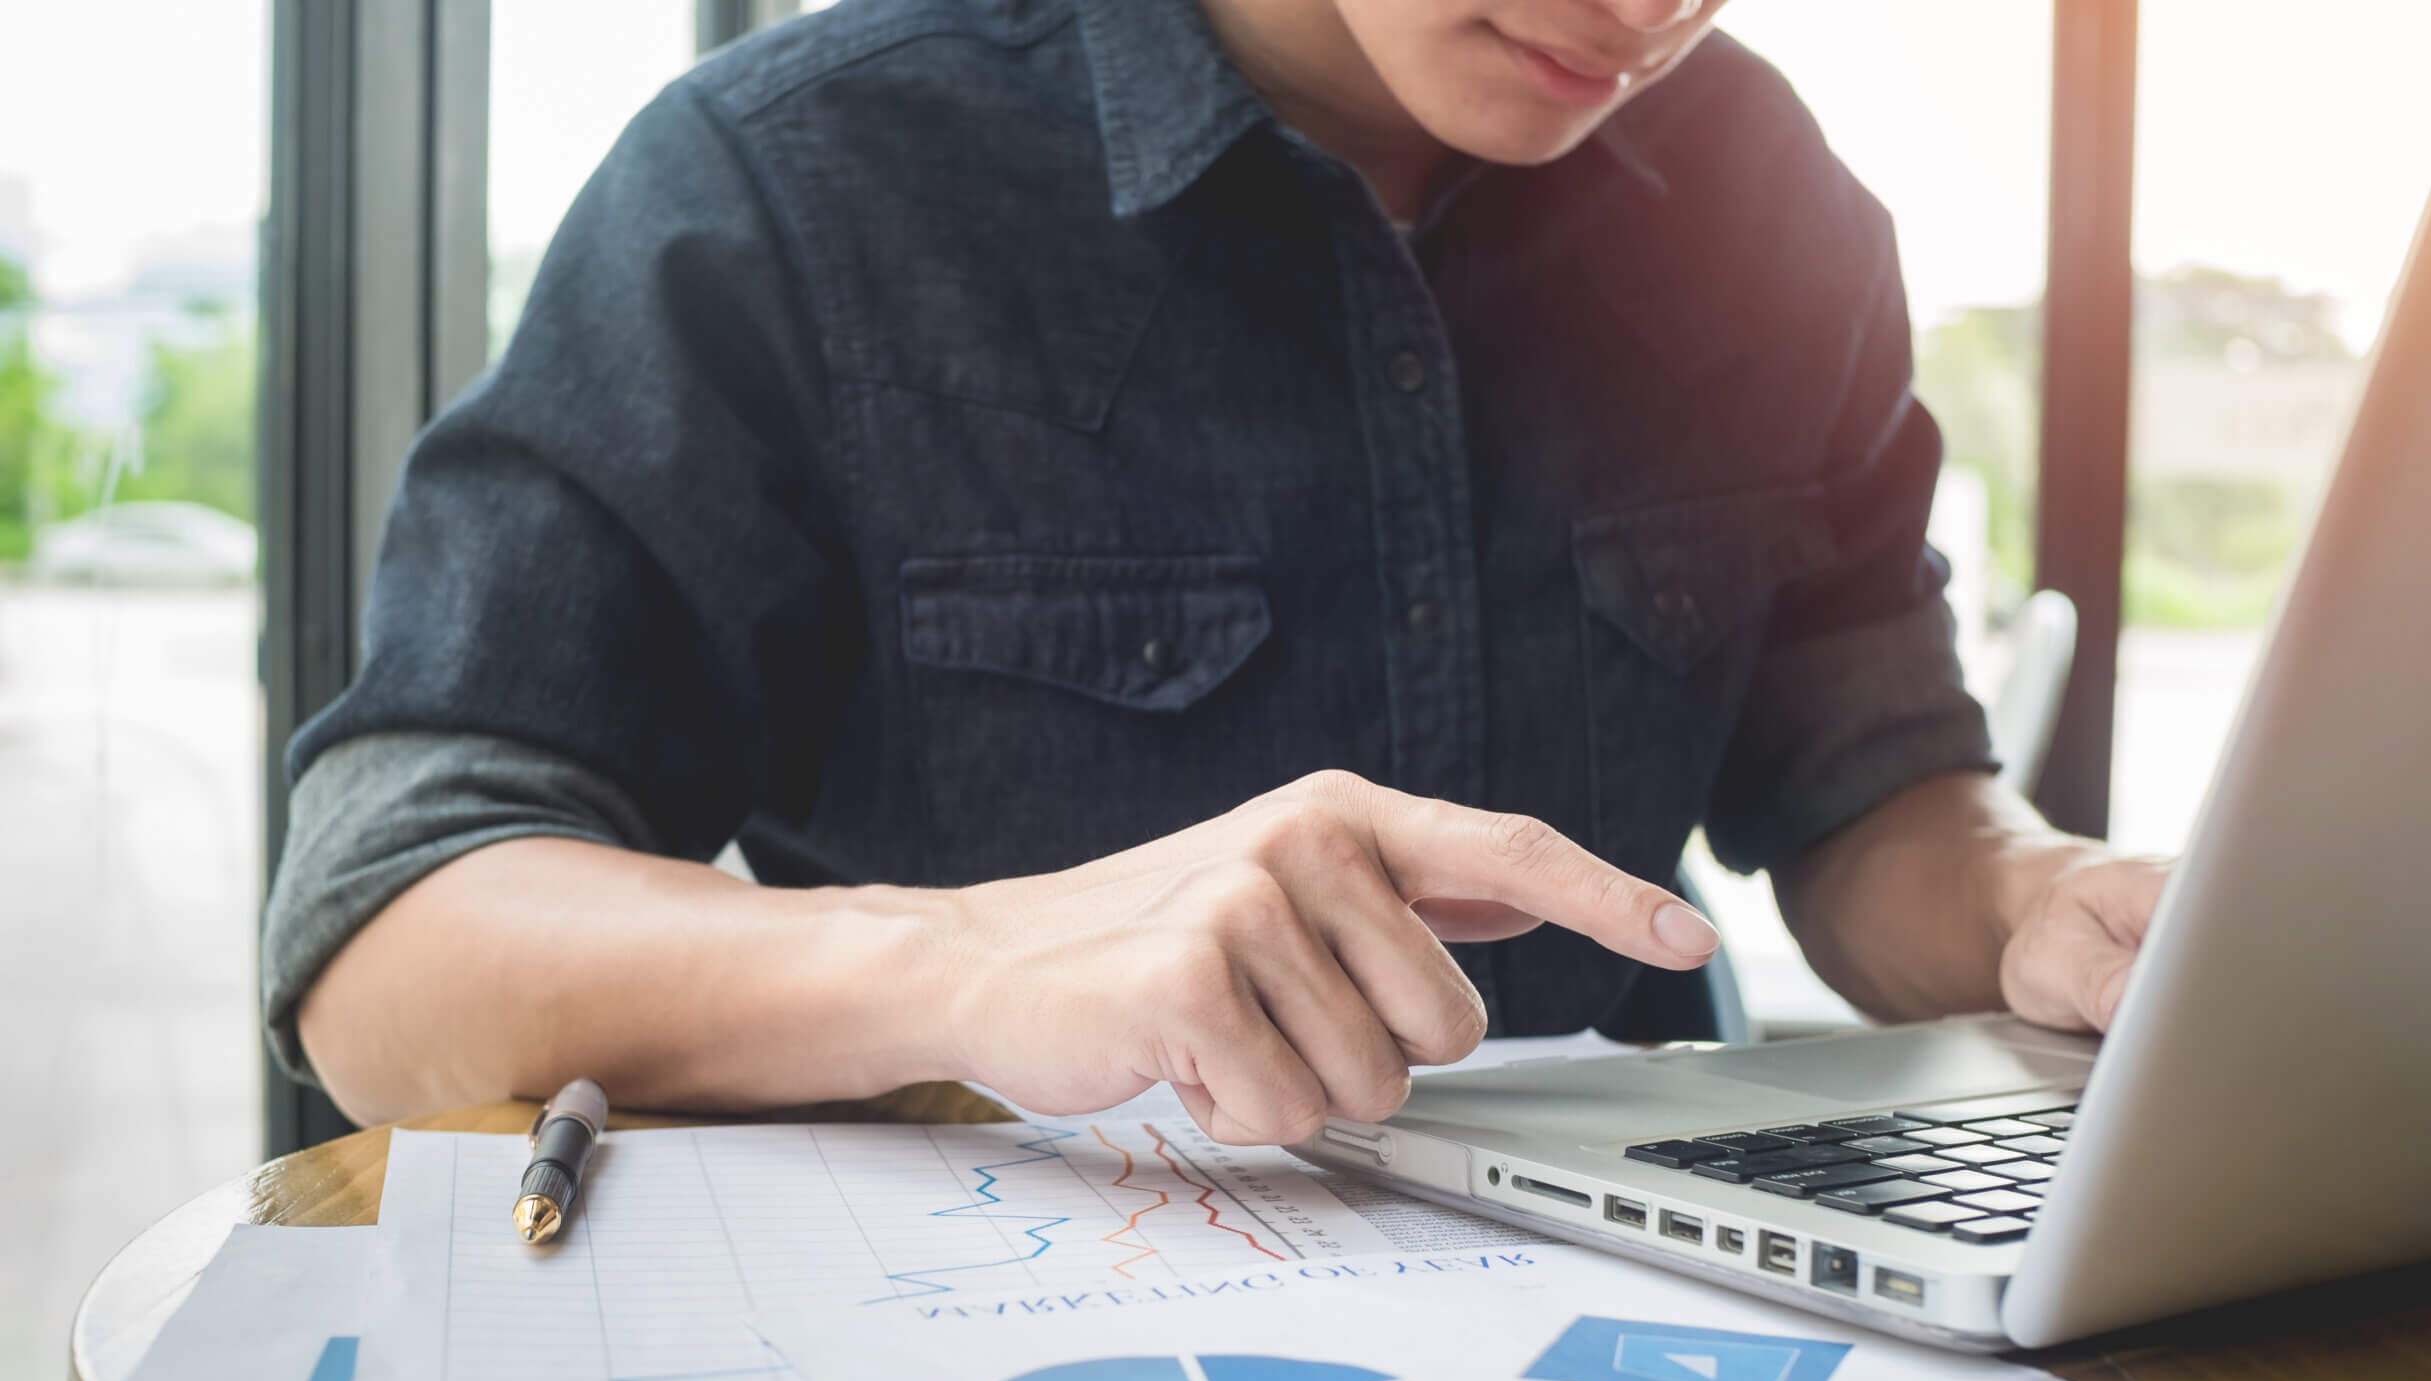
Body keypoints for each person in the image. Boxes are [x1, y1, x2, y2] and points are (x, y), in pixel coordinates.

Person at [262, 0, 2170, 1146]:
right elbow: (389, 942)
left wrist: (2050, 903)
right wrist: (976, 959)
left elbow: (1874, 803)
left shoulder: (1772, 195)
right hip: (1011, 1361)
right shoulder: (792, 181)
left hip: (1673, 1335)